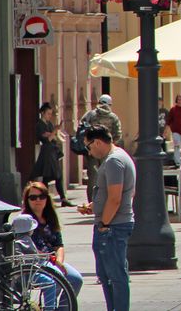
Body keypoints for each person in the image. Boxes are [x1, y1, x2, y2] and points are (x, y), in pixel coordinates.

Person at [77, 125, 135, 311]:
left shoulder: (113, 161)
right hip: (113, 224)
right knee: (107, 275)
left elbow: (115, 198)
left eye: (88, 146)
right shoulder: (117, 157)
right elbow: (113, 195)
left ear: (97, 142)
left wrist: (104, 223)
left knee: (115, 276)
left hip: (113, 227)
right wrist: (94, 207)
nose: (89, 152)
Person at [20, 181, 85, 308]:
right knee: (55, 278)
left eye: (42, 196)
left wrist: (58, 261)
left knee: (76, 279)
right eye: (33, 197)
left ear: (47, 199)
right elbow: (26, 246)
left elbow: (59, 245)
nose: (38, 200)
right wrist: (52, 261)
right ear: (27, 200)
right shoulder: (25, 220)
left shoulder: (50, 218)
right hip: (34, 263)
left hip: (52, 261)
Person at [81, 94, 123, 202]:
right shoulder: (113, 117)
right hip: (107, 152)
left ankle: (91, 203)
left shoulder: (90, 115)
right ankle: (105, 201)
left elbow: (82, 129)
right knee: (108, 177)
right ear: (110, 104)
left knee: (93, 178)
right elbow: (118, 134)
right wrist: (110, 144)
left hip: (92, 150)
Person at [31, 103, 73, 207]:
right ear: (43, 113)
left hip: (52, 152)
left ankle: (49, 198)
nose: (50, 116)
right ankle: (51, 198)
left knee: (52, 176)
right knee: (53, 175)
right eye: (48, 114)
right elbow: (47, 139)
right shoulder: (39, 125)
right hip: (47, 153)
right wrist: (53, 132)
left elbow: (52, 137)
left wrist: (52, 133)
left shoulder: (49, 124)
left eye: (51, 114)